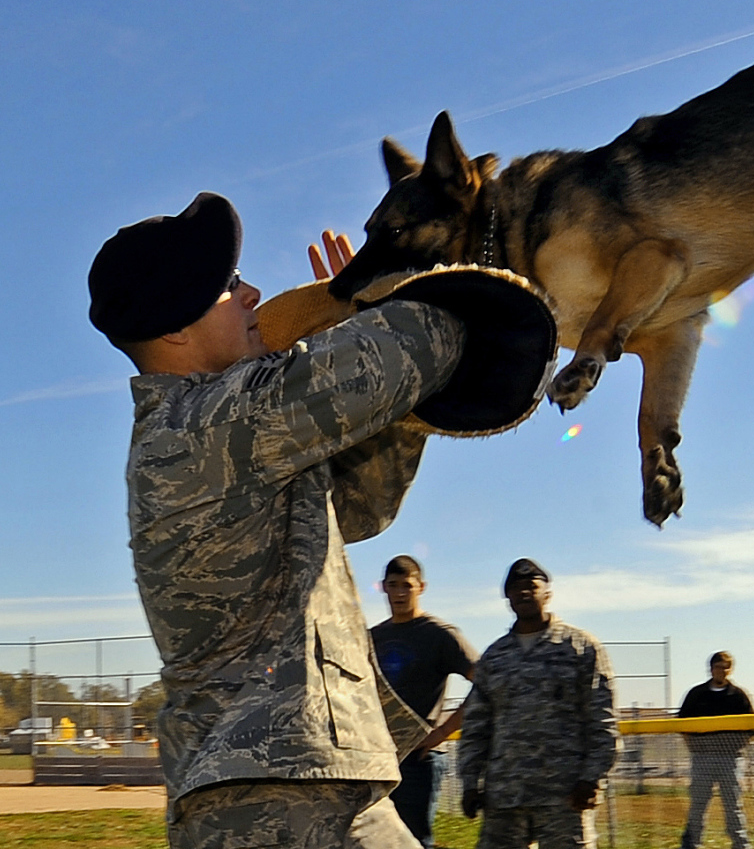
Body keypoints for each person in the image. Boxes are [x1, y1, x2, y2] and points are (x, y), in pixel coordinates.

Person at [89, 197, 554, 848]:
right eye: (228, 286)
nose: (252, 293)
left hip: (313, 784)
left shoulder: (230, 428)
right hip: (268, 796)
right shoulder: (208, 423)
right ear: (175, 326)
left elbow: (362, 507)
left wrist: (366, 323)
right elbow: (422, 342)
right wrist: (400, 289)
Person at [458, 559, 618, 849]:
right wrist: (470, 783)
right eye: (516, 589)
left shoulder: (580, 647)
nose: (524, 593)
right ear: (507, 598)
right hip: (505, 796)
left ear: (548, 593)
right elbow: (476, 726)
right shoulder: (494, 657)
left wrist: (592, 778)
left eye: (532, 587)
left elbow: (602, 719)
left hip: (565, 795)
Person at [371, 555, 479, 848]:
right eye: (393, 585)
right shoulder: (373, 638)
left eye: (407, 585)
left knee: (415, 841)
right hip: (378, 757)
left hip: (419, 758)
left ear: (421, 587)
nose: (399, 593)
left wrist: (442, 732)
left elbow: (485, 683)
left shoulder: (439, 635)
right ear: (383, 588)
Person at [677, 651, 754, 849]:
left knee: (733, 806)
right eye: (718, 667)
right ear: (711, 669)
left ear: (731, 669)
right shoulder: (696, 694)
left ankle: (740, 844)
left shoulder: (738, 695)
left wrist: (735, 746)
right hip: (702, 759)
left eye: (726, 667)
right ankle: (692, 844)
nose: (722, 671)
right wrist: (695, 747)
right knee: (698, 805)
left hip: (730, 760)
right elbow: (682, 725)